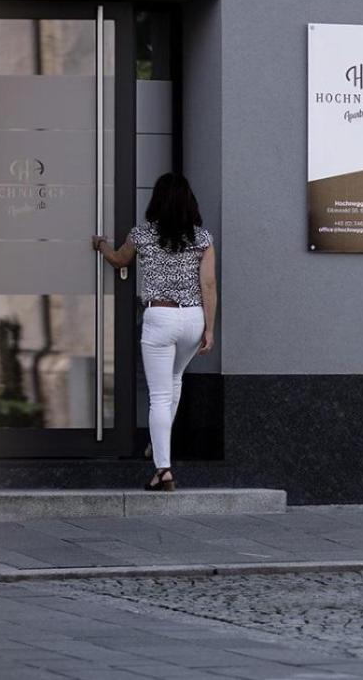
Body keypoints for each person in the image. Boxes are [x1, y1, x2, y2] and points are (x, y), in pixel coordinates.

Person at [92, 173, 216, 491]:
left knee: (159, 396)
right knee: (174, 382)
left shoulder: (142, 235)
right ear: (189, 202)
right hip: (193, 319)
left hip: (160, 317)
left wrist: (100, 244)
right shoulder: (202, 239)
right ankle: (157, 443)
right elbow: (208, 285)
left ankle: (163, 470)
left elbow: (118, 260)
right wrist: (210, 329)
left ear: (156, 201)